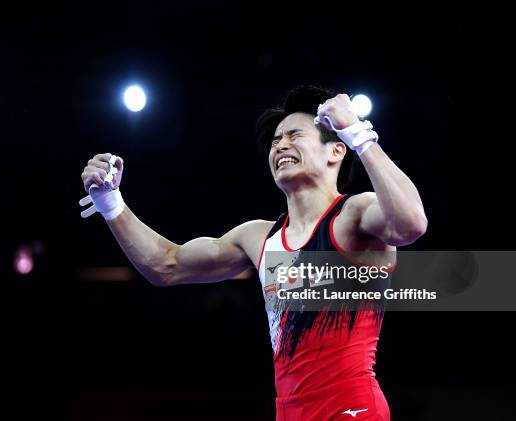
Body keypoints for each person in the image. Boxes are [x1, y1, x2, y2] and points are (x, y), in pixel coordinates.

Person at [80, 86, 427, 420]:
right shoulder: (259, 238)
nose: (281, 146)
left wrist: (357, 131)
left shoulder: (355, 214)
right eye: (276, 141)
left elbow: (411, 223)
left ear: (336, 150)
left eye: (294, 135)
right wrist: (112, 204)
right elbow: (166, 265)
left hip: (352, 409)